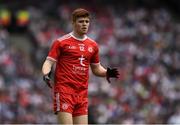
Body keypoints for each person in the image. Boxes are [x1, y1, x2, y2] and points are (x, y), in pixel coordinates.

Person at [42, 8, 119, 124]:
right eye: (81, 21)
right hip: (64, 92)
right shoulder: (61, 42)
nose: (84, 24)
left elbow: (96, 68)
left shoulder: (93, 45)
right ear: (73, 23)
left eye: (87, 22)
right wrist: (46, 74)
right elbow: (48, 62)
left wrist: (107, 72)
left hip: (82, 95)